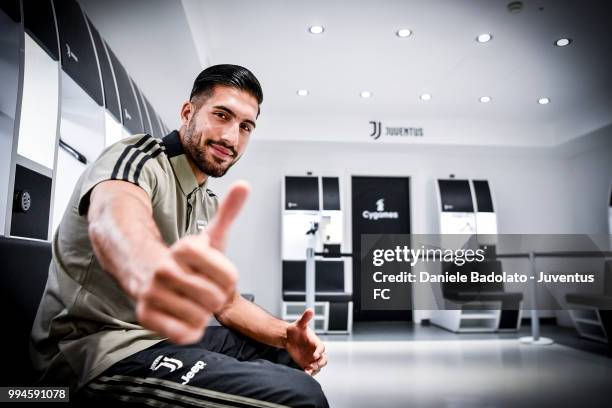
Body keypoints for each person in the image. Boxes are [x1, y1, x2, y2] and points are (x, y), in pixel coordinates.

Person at [31, 64, 329, 407]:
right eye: (221, 115)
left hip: (159, 339)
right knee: (300, 398)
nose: (231, 137)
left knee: (283, 354)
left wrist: (287, 334)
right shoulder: (137, 159)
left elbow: (227, 303)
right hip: (93, 354)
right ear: (188, 112)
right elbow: (117, 220)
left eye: (245, 126)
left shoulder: (206, 202)